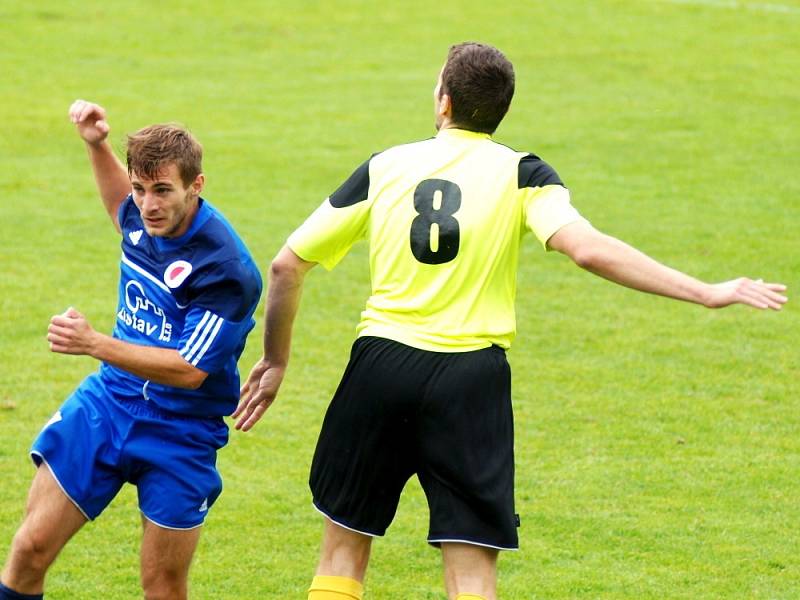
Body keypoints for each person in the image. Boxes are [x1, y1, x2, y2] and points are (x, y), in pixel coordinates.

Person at [235, 43, 787, 600]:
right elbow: (589, 250)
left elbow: (286, 265)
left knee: (343, 552)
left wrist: (276, 360)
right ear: (500, 110)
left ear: (444, 101)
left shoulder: (386, 165)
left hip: (380, 367)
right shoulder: (524, 174)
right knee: (472, 571)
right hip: (469, 383)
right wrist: (707, 292)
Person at [0, 100, 262, 600]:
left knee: (162, 586)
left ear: (196, 186)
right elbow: (121, 207)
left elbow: (189, 371)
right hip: (109, 402)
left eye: (163, 190)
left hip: (181, 428)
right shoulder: (143, 215)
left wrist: (95, 343)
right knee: (30, 548)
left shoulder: (226, 268)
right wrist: (96, 145)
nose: (148, 205)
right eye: (142, 189)